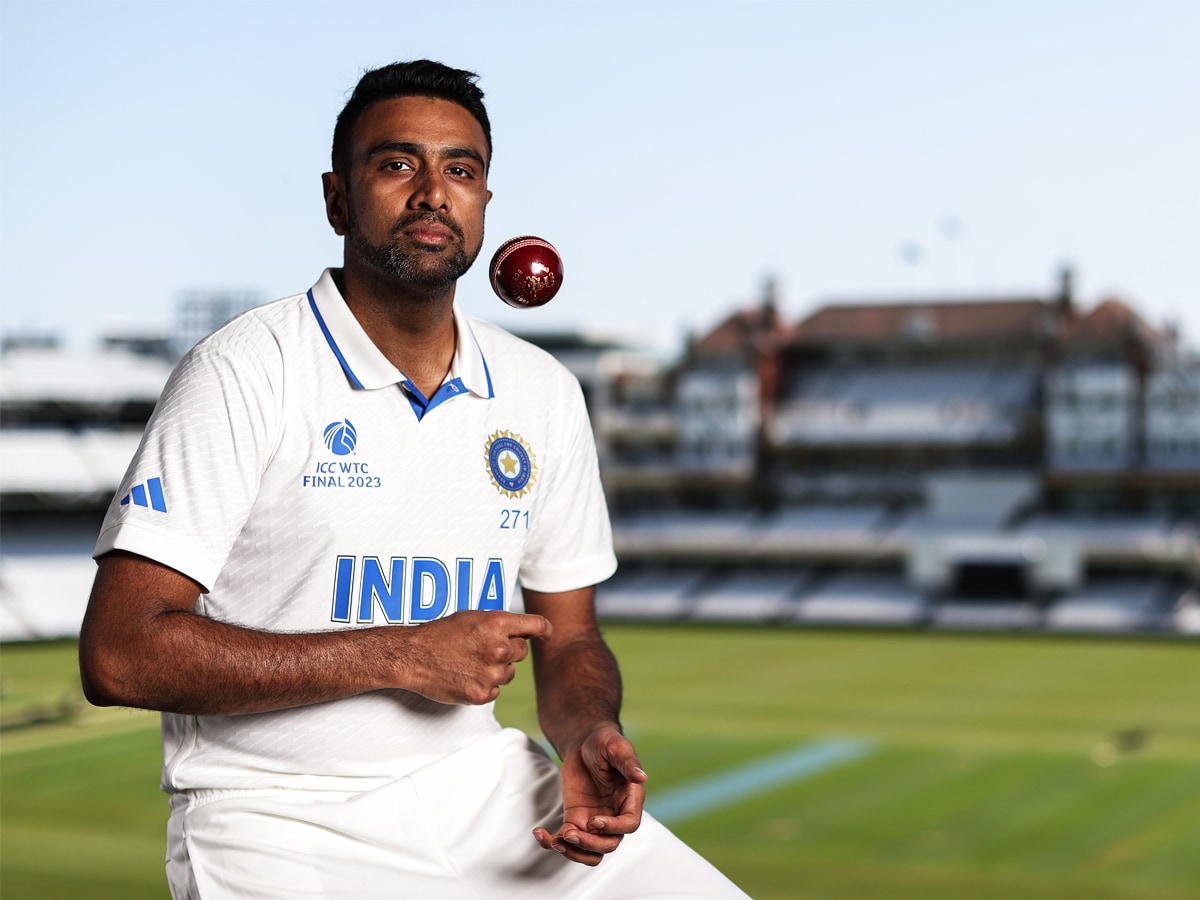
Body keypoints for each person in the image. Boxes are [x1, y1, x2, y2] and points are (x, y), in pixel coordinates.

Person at [79, 59, 748, 899]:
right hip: (278, 817)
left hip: (487, 791)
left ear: (483, 207)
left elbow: (569, 636)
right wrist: (401, 654)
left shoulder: (541, 390)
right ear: (336, 200)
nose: (434, 191)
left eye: (459, 170)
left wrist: (586, 731)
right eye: (398, 164)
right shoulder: (244, 370)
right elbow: (118, 653)